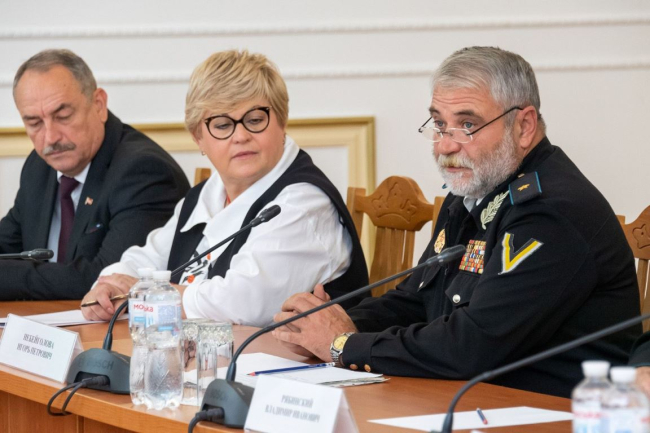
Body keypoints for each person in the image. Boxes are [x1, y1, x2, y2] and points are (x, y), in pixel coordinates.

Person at [272, 46, 640, 398]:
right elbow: (416, 301)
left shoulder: (551, 212)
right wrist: (327, 324)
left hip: (551, 414)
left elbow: (472, 344)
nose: (445, 146)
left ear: (524, 126)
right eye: (439, 124)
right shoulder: (475, 188)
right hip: (468, 400)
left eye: (467, 124)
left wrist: (343, 344)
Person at [81, 50, 368, 327]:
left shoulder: (304, 203)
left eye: (255, 120)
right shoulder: (207, 194)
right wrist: (109, 286)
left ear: (282, 122)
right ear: (198, 138)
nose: (240, 136)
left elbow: (243, 303)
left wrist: (143, 294)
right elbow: (147, 258)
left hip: (281, 360)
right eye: (221, 125)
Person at [0, 49, 189, 300]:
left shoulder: (144, 171)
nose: (50, 138)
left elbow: (107, 281)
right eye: (34, 123)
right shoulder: (40, 167)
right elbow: (7, 243)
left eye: (63, 116)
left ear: (99, 105)